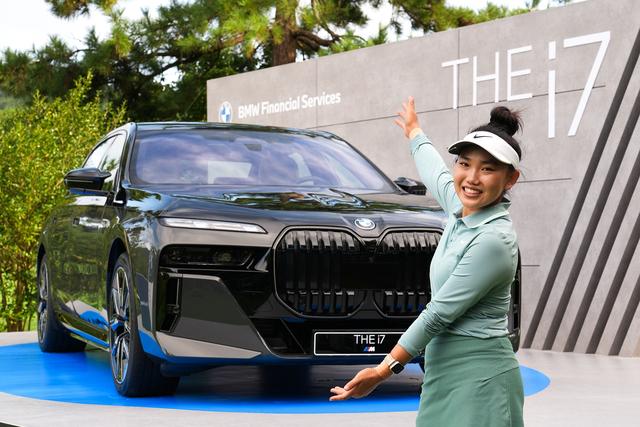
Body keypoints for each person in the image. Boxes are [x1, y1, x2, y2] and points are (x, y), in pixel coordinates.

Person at [329, 97, 525, 427]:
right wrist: (414, 132)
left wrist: (383, 370)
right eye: (464, 164)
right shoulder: (462, 211)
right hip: (442, 377)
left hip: (482, 380)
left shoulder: (493, 240)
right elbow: (436, 173)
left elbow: (438, 314)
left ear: (511, 179)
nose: (472, 177)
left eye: (488, 169)